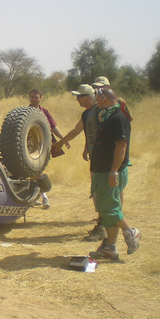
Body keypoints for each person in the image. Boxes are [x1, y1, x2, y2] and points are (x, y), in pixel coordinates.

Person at [88, 87, 141, 260]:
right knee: (107, 209)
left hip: (109, 172)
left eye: (97, 98)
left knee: (108, 207)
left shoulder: (118, 118)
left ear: (104, 100)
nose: (95, 101)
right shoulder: (107, 116)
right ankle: (110, 247)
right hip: (103, 171)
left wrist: (113, 172)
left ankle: (130, 231)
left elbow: (121, 146)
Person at [51, 84, 105, 241]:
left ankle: (103, 227)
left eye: (79, 97)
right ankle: (102, 224)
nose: (77, 100)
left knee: (101, 191)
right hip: (95, 156)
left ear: (89, 97)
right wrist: (64, 143)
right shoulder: (86, 114)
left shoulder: (99, 111)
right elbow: (77, 131)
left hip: (103, 157)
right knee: (96, 190)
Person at [28, 88, 68, 208]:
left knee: (38, 170)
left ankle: (36, 196)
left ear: (41, 98)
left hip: (44, 146)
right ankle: (42, 197)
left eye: (36, 97)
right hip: (31, 146)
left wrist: (63, 139)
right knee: (35, 170)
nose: (34, 99)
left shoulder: (44, 112)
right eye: (32, 97)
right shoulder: (26, 112)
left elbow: (53, 127)